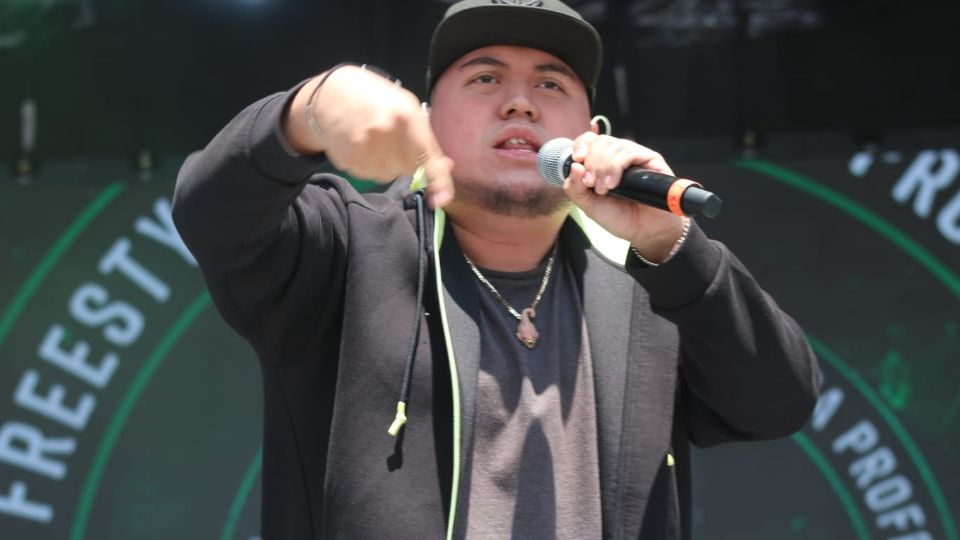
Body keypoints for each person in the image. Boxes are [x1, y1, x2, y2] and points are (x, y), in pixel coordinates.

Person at [172, 0, 822, 538]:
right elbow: (211, 212)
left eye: (551, 84)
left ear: (594, 131)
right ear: (427, 121)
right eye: (484, 79)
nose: (520, 103)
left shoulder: (649, 281)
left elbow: (778, 402)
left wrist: (672, 245)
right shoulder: (346, 245)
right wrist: (306, 112)